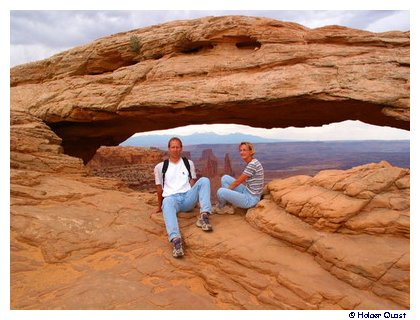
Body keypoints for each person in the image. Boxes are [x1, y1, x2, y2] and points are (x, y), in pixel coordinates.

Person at [154, 137, 213, 258]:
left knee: (204, 180)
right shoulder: (160, 167)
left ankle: (204, 215)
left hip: (187, 198)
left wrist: (194, 197)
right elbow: (159, 188)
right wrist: (160, 206)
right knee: (168, 202)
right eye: (173, 147)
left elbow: (192, 181)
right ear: (169, 149)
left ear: (181, 148)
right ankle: (176, 240)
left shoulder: (188, 163)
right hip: (172, 199)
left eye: (177, 147)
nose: (175, 149)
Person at [214, 142, 264, 213]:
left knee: (221, 191)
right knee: (225, 178)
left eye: (244, 150)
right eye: (240, 150)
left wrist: (226, 192)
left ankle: (221, 207)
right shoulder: (253, 161)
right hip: (247, 191)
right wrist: (228, 193)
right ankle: (227, 204)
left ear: (250, 151)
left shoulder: (252, 165)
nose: (242, 152)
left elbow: (238, 182)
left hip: (251, 199)